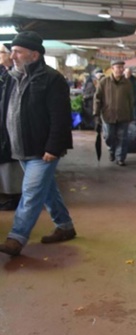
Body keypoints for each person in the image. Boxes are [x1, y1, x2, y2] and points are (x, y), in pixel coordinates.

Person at [0, 31, 76, 256]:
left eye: (17, 51)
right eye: (11, 51)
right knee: (47, 189)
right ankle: (65, 226)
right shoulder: (12, 77)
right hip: (20, 147)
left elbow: (60, 117)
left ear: (34, 55)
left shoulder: (52, 79)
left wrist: (53, 147)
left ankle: (17, 237)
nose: (12, 55)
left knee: (31, 192)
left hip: (42, 149)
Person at [94, 59, 135, 166]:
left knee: (122, 137)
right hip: (108, 114)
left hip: (123, 114)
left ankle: (120, 158)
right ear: (112, 69)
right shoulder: (104, 82)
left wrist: (131, 115)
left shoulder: (127, 83)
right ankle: (111, 150)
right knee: (109, 136)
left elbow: (131, 99)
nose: (121, 70)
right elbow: (97, 98)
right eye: (118, 67)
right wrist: (96, 113)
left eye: (122, 67)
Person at [0, 42, 23, 211]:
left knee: (12, 164)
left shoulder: (16, 76)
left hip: (13, 126)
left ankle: (14, 196)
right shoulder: (4, 74)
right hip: (4, 124)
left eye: (1, 52)